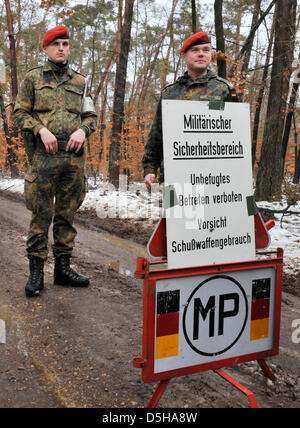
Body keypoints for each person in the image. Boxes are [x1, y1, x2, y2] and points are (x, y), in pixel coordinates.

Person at [14, 26, 97, 297]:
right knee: (41, 215)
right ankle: (36, 272)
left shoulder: (80, 81)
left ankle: (63, 269)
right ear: (45, 48)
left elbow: (91, 117)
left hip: (72, 161)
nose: (62, 48)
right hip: (43, 159)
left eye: (66, 43)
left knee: (66, 215)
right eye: (56, 44)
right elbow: (19, 114)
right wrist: (41, 129)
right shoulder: (33, 78)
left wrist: (82, 131)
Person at [143, 31, 239, 186]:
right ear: (185, 56)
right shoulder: (169, 93)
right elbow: (158, 133)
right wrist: (150, 168)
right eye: (195, 50)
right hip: (176, 175)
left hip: (214, 178)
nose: (201, 54)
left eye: (206, 50)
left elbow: (236, 136)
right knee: (177, 211)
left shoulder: (225, 90)